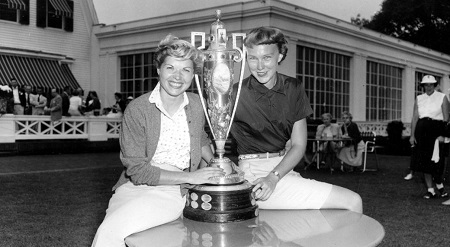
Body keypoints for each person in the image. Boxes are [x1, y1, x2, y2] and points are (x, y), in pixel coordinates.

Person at [91, 35, 224, 247]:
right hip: (133, 186)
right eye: (170, 67)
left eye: (186, 70)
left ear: (193, 75)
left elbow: (199, 137)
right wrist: (193, 176)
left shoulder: (198, 104)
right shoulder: (137, 109)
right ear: (158, 69)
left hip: (173, 190)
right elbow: (138, 171)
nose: (178, 76)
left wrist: (218, 162)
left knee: (109, 232)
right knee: (109, 234)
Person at [230, 27, 362, 212]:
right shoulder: (235, 94)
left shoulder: (293, 87)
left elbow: (299, 144)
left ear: (280, 56)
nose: (259, 66)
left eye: (267, 57)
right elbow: (207, 137)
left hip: (282, 171)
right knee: (352, 201)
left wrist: (274, 176)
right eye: (253, 58)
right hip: (255, 175)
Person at [409, 75, 449, 199]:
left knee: (437, 161)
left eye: (431, 84)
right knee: (424, 161)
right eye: (426, 85)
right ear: (423, 86)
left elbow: (447, 118)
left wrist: (443, 134)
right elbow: (415, 117)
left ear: (435, 85)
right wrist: (412, 135)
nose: (429, 87)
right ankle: (430, 190)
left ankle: (440, 185)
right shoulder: (419, 98)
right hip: (422, 131)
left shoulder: (442, 97)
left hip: (436, 130)